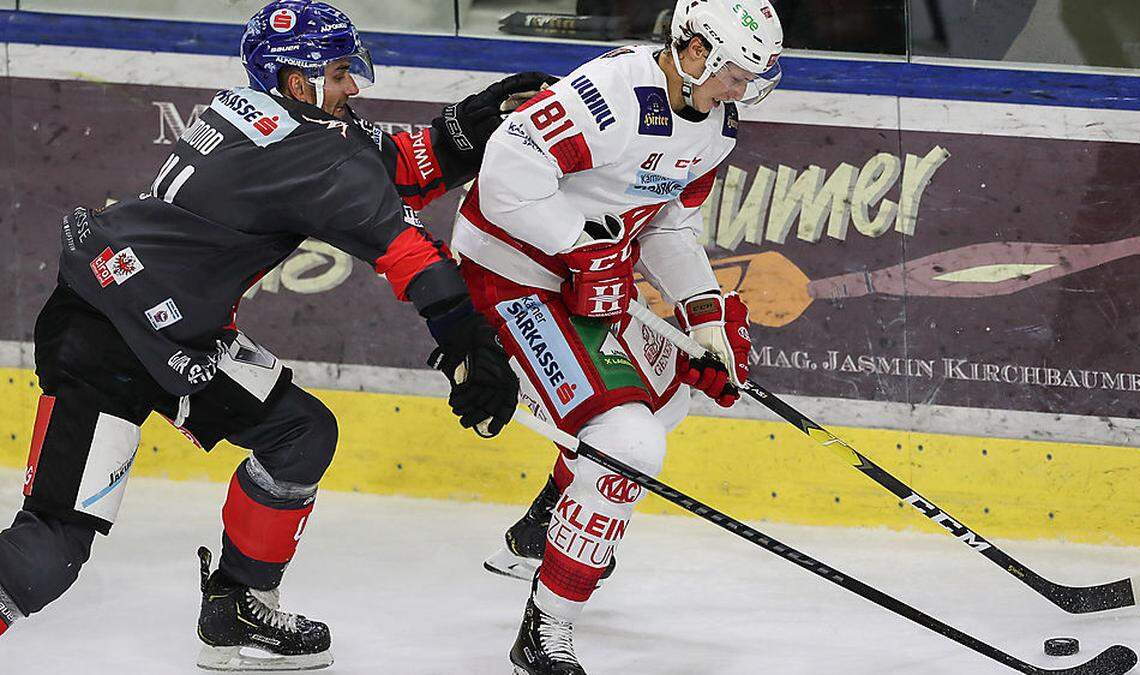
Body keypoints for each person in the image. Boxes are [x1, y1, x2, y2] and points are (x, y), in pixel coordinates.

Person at [0, 1, 549, 670]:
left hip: (170, 333)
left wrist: (478, 119)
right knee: (53, 548)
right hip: (109, 336)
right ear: (299, 81)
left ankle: (236, 605)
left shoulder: (259, 114)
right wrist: (467, 342)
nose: (355, 86)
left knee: (300, 433)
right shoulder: (314, 152)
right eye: (342, 71)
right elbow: (404, 246)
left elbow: (396, 164)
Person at [451, 0, 783, 671]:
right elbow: (505, 172)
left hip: (583, 281)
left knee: (669, 396)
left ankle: (545, 521)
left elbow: (667, 224)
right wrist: (578, 246)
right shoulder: (612, 95)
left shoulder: (716, 126)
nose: (742, 89)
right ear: (693, 52)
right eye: (736, 74)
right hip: (509, 272)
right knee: (627, 442)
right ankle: (545, 626)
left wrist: (706, 319)